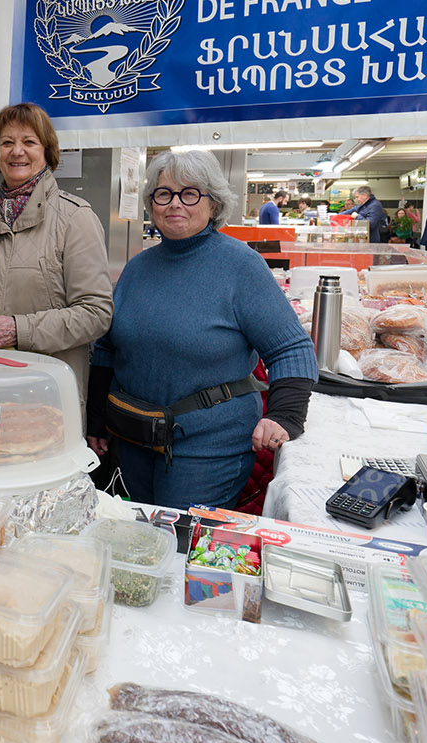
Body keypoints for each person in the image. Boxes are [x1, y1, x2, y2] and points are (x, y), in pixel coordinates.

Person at [87, 149, 318, 510]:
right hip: (133, 437)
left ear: (214, 203)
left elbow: (291, 348)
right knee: (141, 537)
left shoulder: (241, 266)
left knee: (182, 539)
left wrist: (284, 416)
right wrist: (97, 421)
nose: (175, 203)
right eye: (164, 194)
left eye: (190, 193)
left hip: (208, 449)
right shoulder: (137, 268)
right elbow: (106, 348)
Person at [0, 103, 113, 406]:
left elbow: (96, 314)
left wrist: (19, 330)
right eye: (7, 142)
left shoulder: (75, 219)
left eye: (29, 142)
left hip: (47, 395)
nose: (17, 151)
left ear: (47, 152)